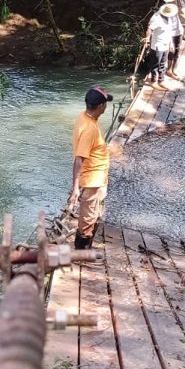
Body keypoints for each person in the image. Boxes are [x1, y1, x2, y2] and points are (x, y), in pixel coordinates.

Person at [69, 86, 113, 250]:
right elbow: (79, 159)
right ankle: (81, 253)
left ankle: (84, 249)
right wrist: (75, 188)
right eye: (105, 103)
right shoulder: (90, 129)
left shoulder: (84, 118)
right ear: (101, 106)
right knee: (88, 219)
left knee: (94, 215)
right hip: (92, 181)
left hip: (96, 177)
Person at [141, 3, 179, 90]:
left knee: (163, 63)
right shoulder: (156, 18)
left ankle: (161, 80)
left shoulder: (169, 19)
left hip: (165, 44)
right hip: (157, 45)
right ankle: (153, 81)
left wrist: (171, 43)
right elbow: (150, 29)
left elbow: (169, 32)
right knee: (155, 64)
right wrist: (147, 38)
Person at [162, 0, 184, 79]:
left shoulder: (175, 6)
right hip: (171, 33)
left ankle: (174, 69)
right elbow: (167, 25)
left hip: (178, 30)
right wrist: (170, 40)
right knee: (171, 50)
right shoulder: (165, 9)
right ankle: (169, 69)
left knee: (177, 49)